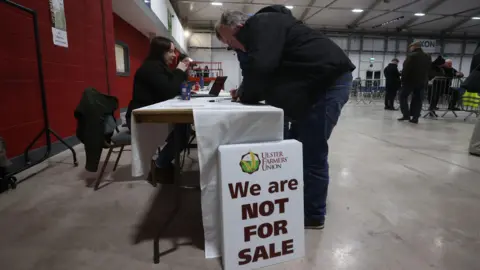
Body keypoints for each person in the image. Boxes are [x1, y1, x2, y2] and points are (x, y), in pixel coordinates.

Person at [215, 5, 356, 229]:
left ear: (238, 27)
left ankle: (313, 215)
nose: (230, 45)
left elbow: (262, 67)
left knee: (311, 150)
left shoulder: (263, 24)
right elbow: (260, 70)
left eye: (228, 40)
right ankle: (297, 199)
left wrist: (247, 95)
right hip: (311, 86)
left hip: (328, 84)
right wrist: (244, 91)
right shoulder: (267, 30)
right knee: (295, 146)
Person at [125, 36, 191, 183]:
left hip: (155, 114)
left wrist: (182, 73)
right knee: (183, 131)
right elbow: (169, 91)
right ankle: (161, 163)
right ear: (160, 52)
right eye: (171, 52)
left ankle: (163, 162)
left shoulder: (160, 67)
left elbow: (173, 86)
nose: (174, 56)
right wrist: (180, 70)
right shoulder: (150, 68)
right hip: (142, 118)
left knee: (184, 128)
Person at [398, 41, 431, 124]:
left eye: (410, 47)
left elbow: (406, 69)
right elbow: (429, 69)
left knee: (403, 96)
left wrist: (403, 80)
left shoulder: (411, 56)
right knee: (418, 99)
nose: (410, 48)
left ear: (414, 46)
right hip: (422, 82)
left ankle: (406, 114)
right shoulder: (427, 56)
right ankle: (415, 117)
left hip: (410, 81)